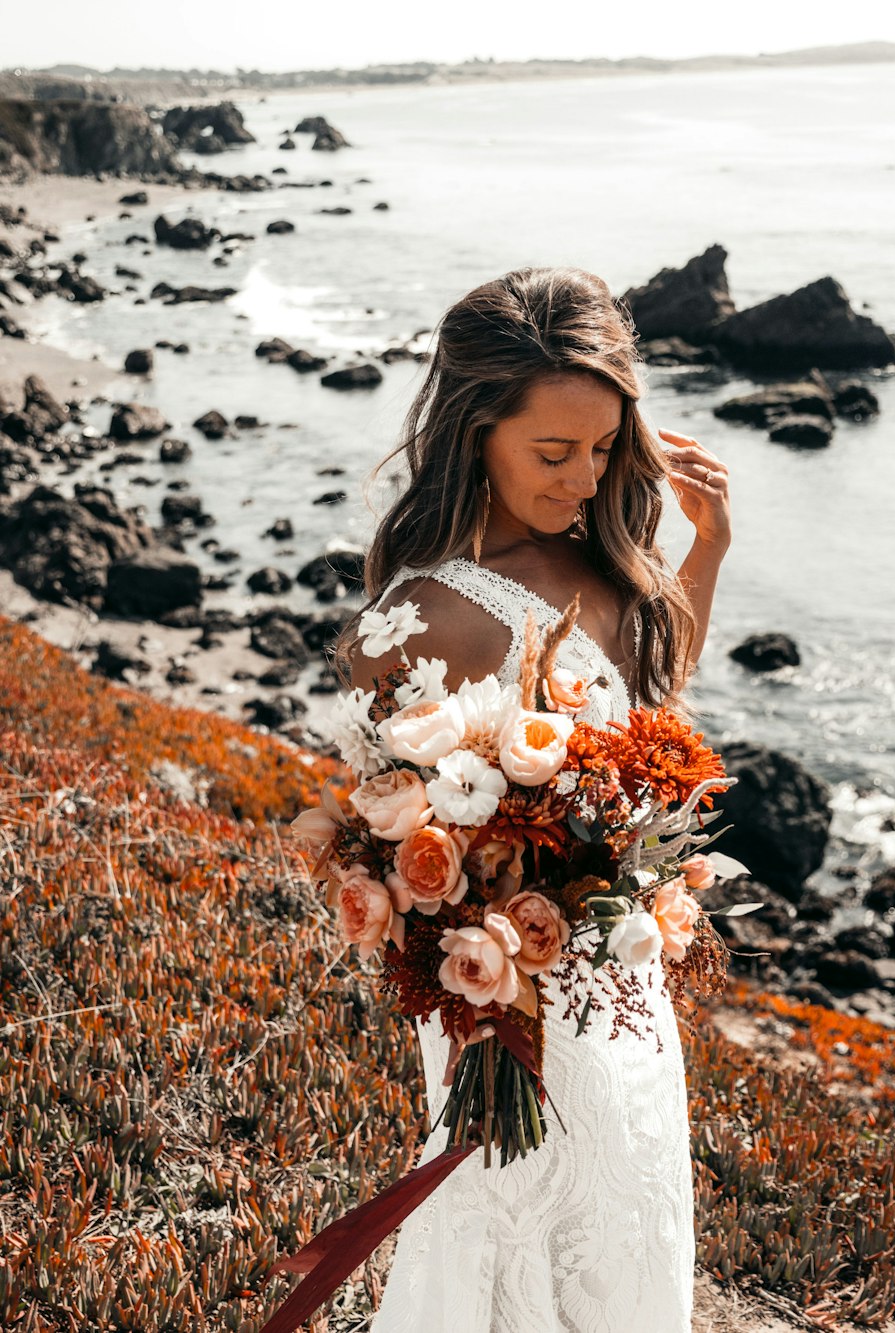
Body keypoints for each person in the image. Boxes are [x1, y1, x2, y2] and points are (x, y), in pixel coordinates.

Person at [338, 265, 731, 1333]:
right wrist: (473, 911)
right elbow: (386, 819)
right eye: (554, 452)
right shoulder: (423, 611)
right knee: (508, 1216)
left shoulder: (596, 558)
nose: (584, 477)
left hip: (621, 982)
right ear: (476, 433)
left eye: (604, 449)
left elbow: (650, 707)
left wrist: (708, 549)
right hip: (498, 998)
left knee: (627, 1215)